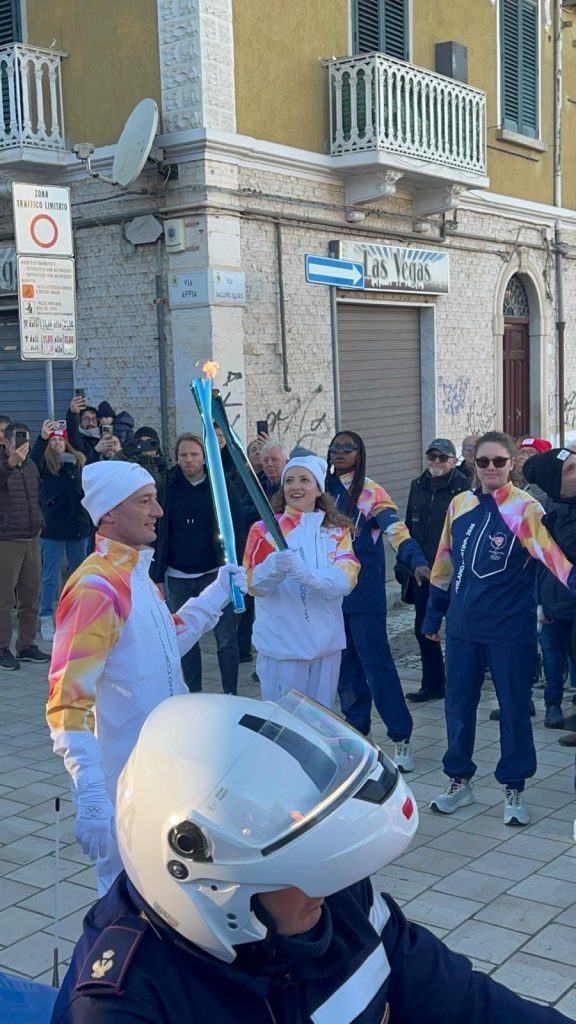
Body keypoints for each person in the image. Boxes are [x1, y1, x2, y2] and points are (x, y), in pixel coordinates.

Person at [52, 691, 571, 1024]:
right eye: (300, 864)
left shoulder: (334, 902)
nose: (330, 882)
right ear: (206, 882)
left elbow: (464, 1003)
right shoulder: (120, 1007)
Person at [46, 459, 246, 895]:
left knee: (167, 899)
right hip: (123, 783)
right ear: (109, 513)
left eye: (155, 499)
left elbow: (162, 643)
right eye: (145, 501)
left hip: (164, 769)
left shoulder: (138, 575)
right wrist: (92, 792)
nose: (158, 511)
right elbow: (67, 701)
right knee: (125, 905)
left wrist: (213, 597)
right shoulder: (95, 589)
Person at [423, 431, 576, 826]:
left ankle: (514, 786)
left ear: (511, 466)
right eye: (484, 461)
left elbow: (553, 557)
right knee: (457, 706)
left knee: (513, 710)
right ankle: (459, 779)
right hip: (462, 628)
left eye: (499, 462)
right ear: (473, 464)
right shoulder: (460, 504)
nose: (491, 468)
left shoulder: (525, 510)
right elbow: (444, 564)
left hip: (510, 630)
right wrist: (433, 617)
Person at [326, 431, 429, 772]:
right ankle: (358, 736)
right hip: (331, 596)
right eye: (335, 447)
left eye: (348, 447)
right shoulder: (321, 489)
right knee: (346, 670)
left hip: (365, 595)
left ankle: (401, 736)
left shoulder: (370, 490)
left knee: (377, 666)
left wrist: (415, 560)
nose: (340, 452)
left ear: (360, 453)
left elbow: (395, 529)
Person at [243, 454, 359, 707]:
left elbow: (347, 578)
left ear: (319, 489)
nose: (296, 487)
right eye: (290, 480)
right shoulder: (264, 530)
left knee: (319, 724)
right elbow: (252, 584)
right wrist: (274, 567)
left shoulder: (336, 532)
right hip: (282, 649)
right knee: (284, 728)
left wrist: (310, 577)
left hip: (325, 648)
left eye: (305, 480)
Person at [151, 433, 244, 695]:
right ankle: (193, 693)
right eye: (183, 455)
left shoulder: (220, 487)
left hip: (214, 574)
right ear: (176, 458)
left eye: (194, 454)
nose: (189, 460)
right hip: (178, 575)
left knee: (226, 638)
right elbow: (158, 531)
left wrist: (233, 564)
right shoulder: (167, 486)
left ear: (204, 457)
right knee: (185, 638)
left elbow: (237, 525)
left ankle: (230, 692)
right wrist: (156, 573)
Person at [403, 438, 469, 703]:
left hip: (453, 572)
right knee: (423, 629)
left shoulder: (463, 488)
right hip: (422, 572)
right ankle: (432, 683)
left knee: (456, 629)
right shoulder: (416, 486)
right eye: (432, 457)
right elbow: (408, 525)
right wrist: (409, 563)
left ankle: (460, 684)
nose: (437, 462)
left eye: (442, 458)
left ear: (453, 461)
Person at [523, 448, 576, 748]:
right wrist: (539, 602)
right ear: (556, 486)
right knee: (553, 655)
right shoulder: (553, 520)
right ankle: (553, 705)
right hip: (555, 602)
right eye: (570, 470)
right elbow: (536, 566)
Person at [30, 420, 92, 642]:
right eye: (53, 440)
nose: (57, 443)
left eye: (60, 439)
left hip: (78, 527)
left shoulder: (79, 462)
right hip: (53, 527)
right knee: (50, 576)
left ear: (67, 442)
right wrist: (42, 438)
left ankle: (76, 615)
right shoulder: (45, 464)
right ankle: (47, 616)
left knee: (78, 576)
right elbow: (33, 459)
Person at [0, 421, 50, 671]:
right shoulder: (3, 466)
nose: (23, 445)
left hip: (32, 537)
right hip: (6, 540)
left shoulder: (31, 466)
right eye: (18, 439)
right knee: (4, 599)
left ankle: (26, 645)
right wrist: (9, 464)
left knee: (30, 596)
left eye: (26, 440)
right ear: (6, 442)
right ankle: (1, 648)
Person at [66, 396, 116, 464]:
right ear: (80, 421)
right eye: (87, 419)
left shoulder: (105, 435)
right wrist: (73, 413)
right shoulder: (78, 439)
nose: (91, 423)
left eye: (94, 419)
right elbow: (72, 429)